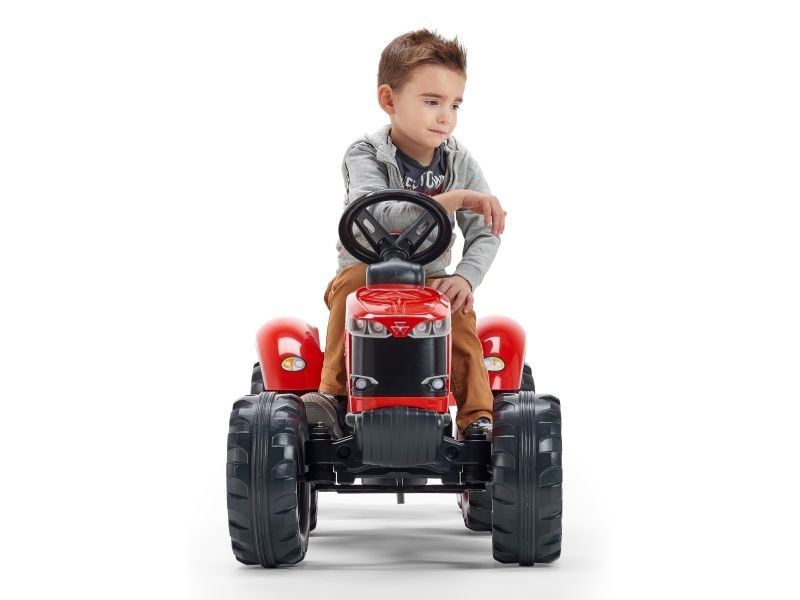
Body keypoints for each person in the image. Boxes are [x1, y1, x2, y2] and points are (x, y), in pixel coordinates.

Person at [303, 29, 506, 439]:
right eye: (432, 102)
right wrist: (451, 200)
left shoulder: (459, 161)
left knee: (458, 312)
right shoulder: (365, 153)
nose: (446, 116)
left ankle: (477, 421)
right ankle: (333, 396)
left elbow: (486, 228)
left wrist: (465, 277)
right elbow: (379, 212)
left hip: (429, 277)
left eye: (454, 104)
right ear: (389, 100)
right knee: (351, 292)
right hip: (367, 271)